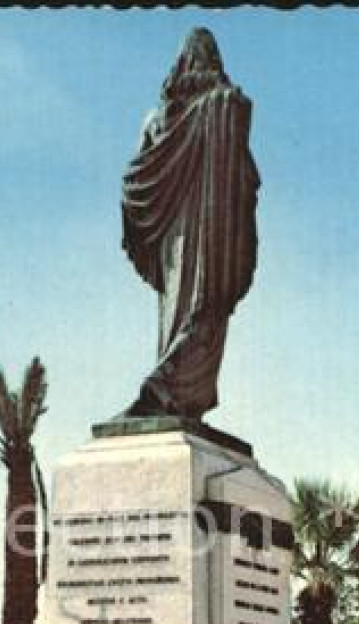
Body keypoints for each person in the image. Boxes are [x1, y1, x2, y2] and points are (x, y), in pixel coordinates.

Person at [119, 28, 261, 421]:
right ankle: (165, 389)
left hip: (177, 233)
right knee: (202, 307)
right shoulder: (226, 104)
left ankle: (167, 390)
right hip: (212, 234)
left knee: (184, 310)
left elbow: (134, 176)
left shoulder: (159, 117)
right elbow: (247, 176)